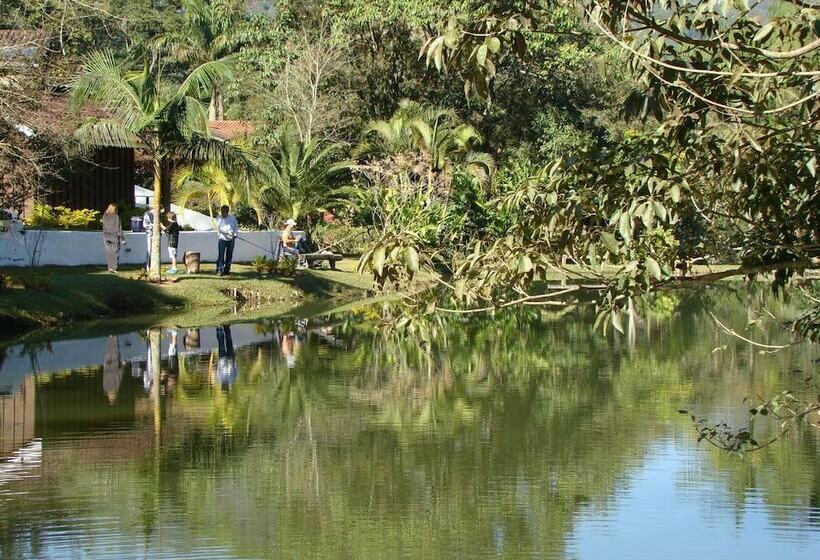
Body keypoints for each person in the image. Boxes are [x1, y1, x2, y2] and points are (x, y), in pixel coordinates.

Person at [101, 203, 125, 273]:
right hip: (114, 236)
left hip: (106, 236)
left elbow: (103, 226)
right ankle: (114, 268)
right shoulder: (116, 216)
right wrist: (123, 238)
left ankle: (109, 267)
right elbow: (119, 227)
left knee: (109, 252)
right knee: (115, 252)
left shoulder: (104, 216)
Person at [216, 205, 238, 276]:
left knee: (229, 255)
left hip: (231, 240)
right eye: (222, 211)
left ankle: (227, 270)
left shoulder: (233, 218)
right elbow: (218, 228)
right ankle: (220, 270)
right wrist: (225, 232)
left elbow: (236, 227)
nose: (223, 213)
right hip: (222, 239)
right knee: (221, 255)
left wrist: (235, 235)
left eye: (225, 211)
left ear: (228, 211)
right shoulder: (219, 218)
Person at [142, 206, 164, 272]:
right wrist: (154, 225)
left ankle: (155, 266)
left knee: (156, 250)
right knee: (150, 250)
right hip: (150, 234)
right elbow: (145, 225)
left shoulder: (158, 214)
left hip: (157, 234)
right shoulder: (147, 214)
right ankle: (148, 266)